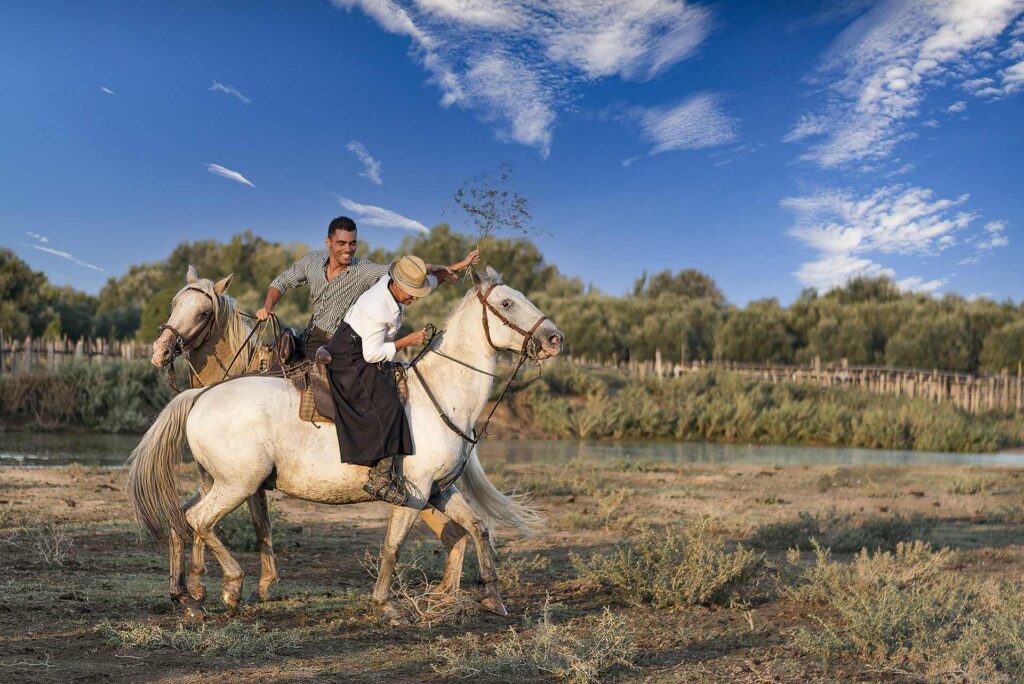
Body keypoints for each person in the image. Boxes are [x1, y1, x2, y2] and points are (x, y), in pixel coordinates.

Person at [327, 252, 478, 505]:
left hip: (363, 348)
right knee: (388, 405)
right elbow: (373, 354)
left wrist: (457, 266)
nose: (414, 299)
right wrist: (409, 340)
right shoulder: (377, 308)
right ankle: (380, 478)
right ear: (397, 284)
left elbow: (429, 274)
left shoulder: (397, 283)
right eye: (411, 294)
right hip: (351, 356)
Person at [257, 216, 472, 361]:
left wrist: (445, 267)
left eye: (352, 243)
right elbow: (281, 282)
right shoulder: (311, 263)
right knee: (273, 360)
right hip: (310, 335)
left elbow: (404, 273)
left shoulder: (364, 270)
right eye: (341, 243)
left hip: (339, 345)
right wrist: (267, 307)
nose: (348, 249)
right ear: (328, 242)